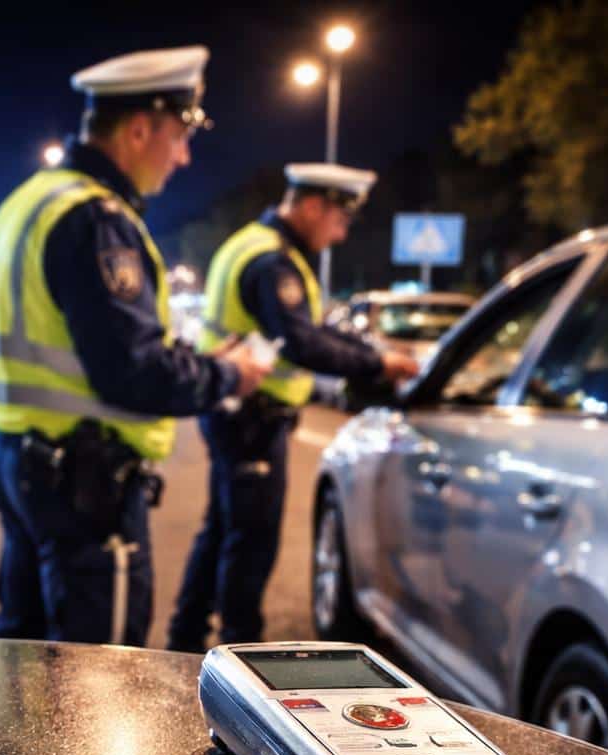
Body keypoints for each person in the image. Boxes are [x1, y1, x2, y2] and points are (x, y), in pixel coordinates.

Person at [0, 45, 272, 646]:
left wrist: (199, 362)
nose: (184, 158)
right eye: (180, 137)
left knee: (19, 659)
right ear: (140, 130)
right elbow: (133, 372)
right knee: (101, 686)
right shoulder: (95, 219)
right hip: (87, 484)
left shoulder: (29, 201)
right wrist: (231, 377)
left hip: (24, 461)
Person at [166, 163, 421, 651]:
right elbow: (303, 343)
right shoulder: (272, 263)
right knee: (251, 543)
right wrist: (376, 365)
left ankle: (185, 638)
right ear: (311, 206)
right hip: (251, 417)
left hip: (234, 411)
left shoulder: (256, 246)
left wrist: (368, 359)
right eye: (339, 219)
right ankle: (240, 654)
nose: (342, 233)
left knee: (223, 530)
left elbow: (311, 333)